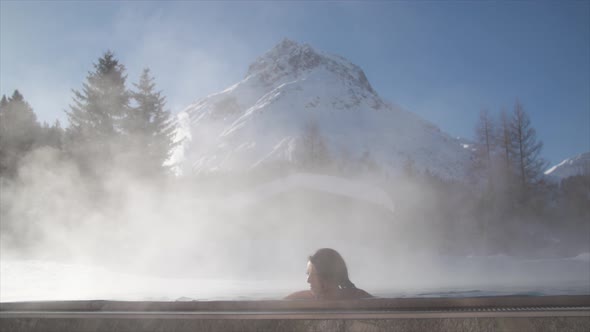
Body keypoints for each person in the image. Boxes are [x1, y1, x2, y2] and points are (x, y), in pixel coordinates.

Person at [285, 248, 372, 300]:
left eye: (313, 275)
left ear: (329, 276)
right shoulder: (298, 299)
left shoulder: (359, 298)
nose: (308, 280)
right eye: (308, 274)